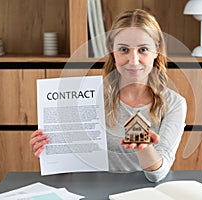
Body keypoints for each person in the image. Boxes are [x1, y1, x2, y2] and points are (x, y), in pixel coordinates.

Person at [30, 9, 187, 182]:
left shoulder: (174, 103)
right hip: (92, 189)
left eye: (143, 49)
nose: (133, 60)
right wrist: (51, 147)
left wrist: (144, 147)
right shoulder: (88, 96)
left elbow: (158, 173)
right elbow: (73, 162)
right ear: (112, 50)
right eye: (124, 49)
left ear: (157, 50)